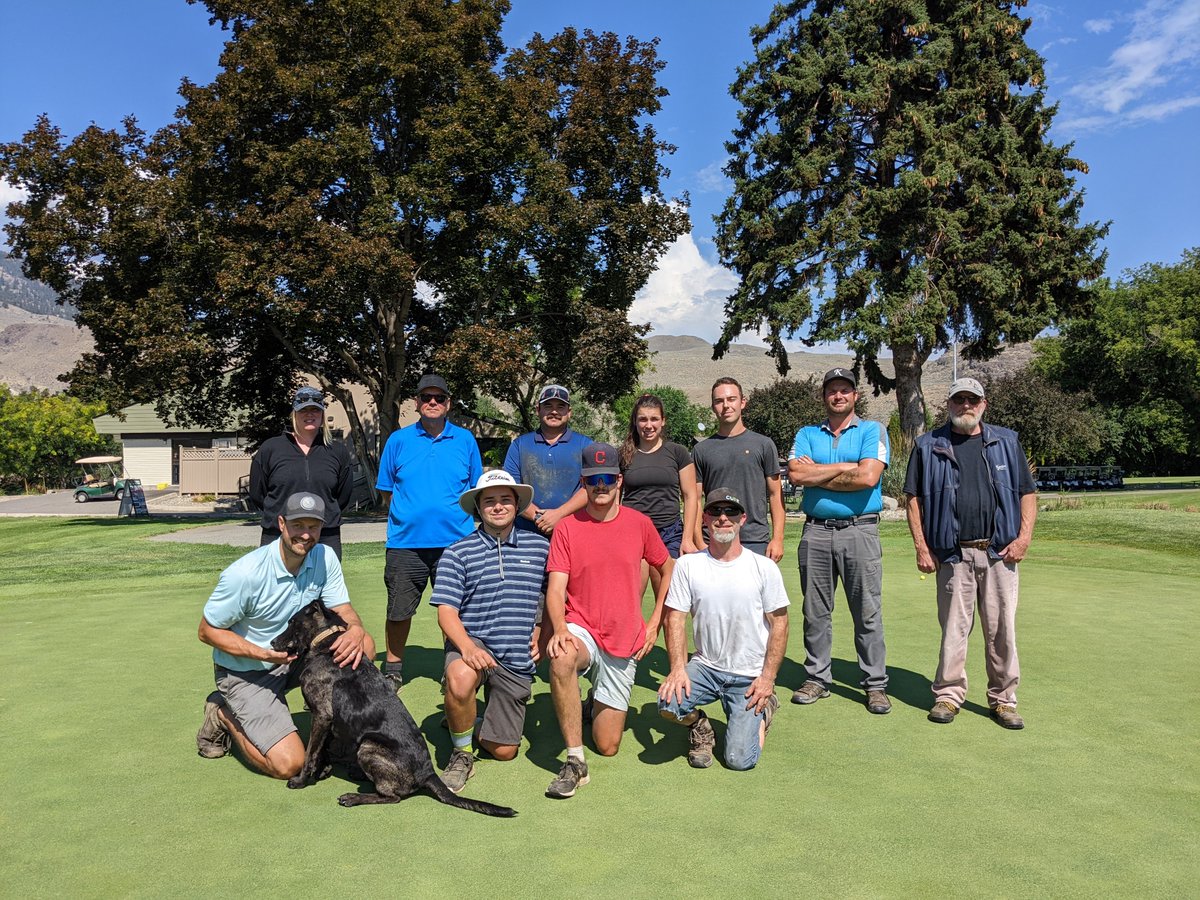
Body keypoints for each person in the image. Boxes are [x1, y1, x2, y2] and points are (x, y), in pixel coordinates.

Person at [195, 492, 374, 779]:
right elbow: (206, 631)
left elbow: (343, 609)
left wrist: (355, 628)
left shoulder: (324, 556)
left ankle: (337, 735)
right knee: (289, 765)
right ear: (281, 524)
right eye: (297, 525)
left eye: (313, 526)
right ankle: (222, 713)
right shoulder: (245, 574)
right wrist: (262, 653)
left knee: (363, 644)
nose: (306, 534)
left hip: (296, 661)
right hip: (247, 672)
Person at [903, 377, 1037, 730]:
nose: (965, 405)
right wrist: (921, 546)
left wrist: (1023, 539)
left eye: (972, 400)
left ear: (983, 404)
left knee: (1002, 631)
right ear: (948, 404)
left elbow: (1027, 492)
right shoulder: (928, 445)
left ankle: (1004, 700)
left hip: (999, 553)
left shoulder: (1006, 442)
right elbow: (913, 498)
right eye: (959, 399)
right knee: (954, 630)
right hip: (952, 555)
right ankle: (948, 695)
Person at [543, 442, 672, 799]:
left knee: (608, 744)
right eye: (592, 479)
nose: (600, 486)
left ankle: (589, 702)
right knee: (562, 657)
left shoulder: (640, 524)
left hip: (623, 637)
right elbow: (556, 589)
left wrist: (654, 623)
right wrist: (560, 628)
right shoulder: (567, 528)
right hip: (582, 627)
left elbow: (667, 568)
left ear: (619, 481)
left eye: (607, 479)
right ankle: (575, 761)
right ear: (583, 483)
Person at [430, 470, 548, 793]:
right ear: (478, 508)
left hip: (516, 655)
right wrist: (467, 648)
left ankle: (466, 719)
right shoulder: (457, 552)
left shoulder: (540, 547)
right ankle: (461, 753)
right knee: (461, 676)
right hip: (474, 642)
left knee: (504, 750)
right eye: (489, 501)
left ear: (517, 505)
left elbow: (548, 595)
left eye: (505, 500)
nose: (498, 507)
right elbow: (446, 612)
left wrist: (541, 629)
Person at [658, 488, 789, 770]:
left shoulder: (764, 567)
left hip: (749, 675)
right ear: (704, 518)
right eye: (715, 511)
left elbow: (780, 623)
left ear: (742, 519)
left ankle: (764, 711)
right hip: (706, 667)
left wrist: (767, 678)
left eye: (730, 512)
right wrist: (678, 669)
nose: (723, 518)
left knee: (740, 761)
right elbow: (675, 619)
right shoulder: (688, 565)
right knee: (668, 703)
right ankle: (701, 726)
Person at [787, 367, 891, 714]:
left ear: (855, 395)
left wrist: (818, 473)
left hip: (860, 530)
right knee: (815, 611)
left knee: (867, 612)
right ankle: (817, 679)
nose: (838, 395)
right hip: (816, 531)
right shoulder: (806, 433)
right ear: (824, 396)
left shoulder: (873, 430)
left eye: (845, 390)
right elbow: (796, 474)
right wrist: (846, 466)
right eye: (832, 390)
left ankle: (875, 684)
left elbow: (867, 477)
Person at [376, 374, 482, 691]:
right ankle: (393, 668)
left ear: (448, 403)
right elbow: (386, 490)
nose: (432, 402)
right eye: (426, 397)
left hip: (457, 544)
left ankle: (454, 667)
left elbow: (475, 490)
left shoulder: (465, 440)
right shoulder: (398, 440)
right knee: (398, 610)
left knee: (456, 611)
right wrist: (411, 514)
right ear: (417, 403)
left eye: (439, 398)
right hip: (405, 543)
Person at [249, 385, 354, 558]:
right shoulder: (271, 448)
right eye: (304, 410)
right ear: (294, 414)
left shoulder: (337, 451)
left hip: (325, 535)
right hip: (278, 534)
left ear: (322, 414)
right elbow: (257, 494)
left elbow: (343, 496)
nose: (310, 414)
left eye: (315, 410)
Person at [691, 377, 785, 561]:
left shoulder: (764, 445)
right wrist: (699, 541)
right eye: (719, 401)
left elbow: (776, 494)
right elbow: (694, 500)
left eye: (731, 399)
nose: (726, 405)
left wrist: (778, 539)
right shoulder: (701, 450)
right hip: (714, 538)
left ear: (742, 402)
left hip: (755, 540)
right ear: (713, 407)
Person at [618, 392, 700, 559]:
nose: (649, 425)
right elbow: (614, 500)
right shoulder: (622, 454)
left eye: (654, 419)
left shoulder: (678, 452)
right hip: (632, 532)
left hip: (670, 533)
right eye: (643, 419)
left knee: (670, 577)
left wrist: (687, 539)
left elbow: (690, 496)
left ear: (663, 421)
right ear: (635, 422)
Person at [502, 384, 591, 535]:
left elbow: (591, 487)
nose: (554, 411)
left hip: (574, 532)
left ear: (569, 412)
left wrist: (559, 515)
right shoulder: (519, 445)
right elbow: (511, 488)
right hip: (527, 533)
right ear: (538, 410)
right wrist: (540, 518)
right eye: (548, 406)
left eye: (560, 407)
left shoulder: (586, 445)